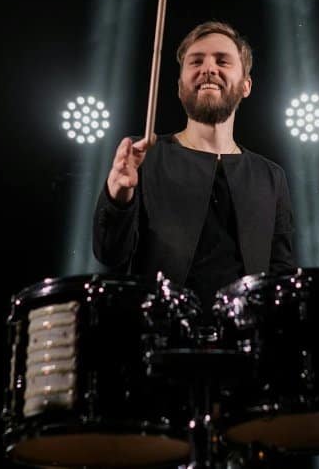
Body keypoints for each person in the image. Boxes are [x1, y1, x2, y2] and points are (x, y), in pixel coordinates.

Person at [93, 21, 296, 304]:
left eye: (222, 61)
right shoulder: (144, 157)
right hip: (162, 338)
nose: (208, 68)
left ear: (246, 85)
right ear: (180, 86)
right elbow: (110, 255)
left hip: (246, 340)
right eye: (196, 61)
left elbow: (281, 276)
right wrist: (118, 198)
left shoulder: (270, 176)